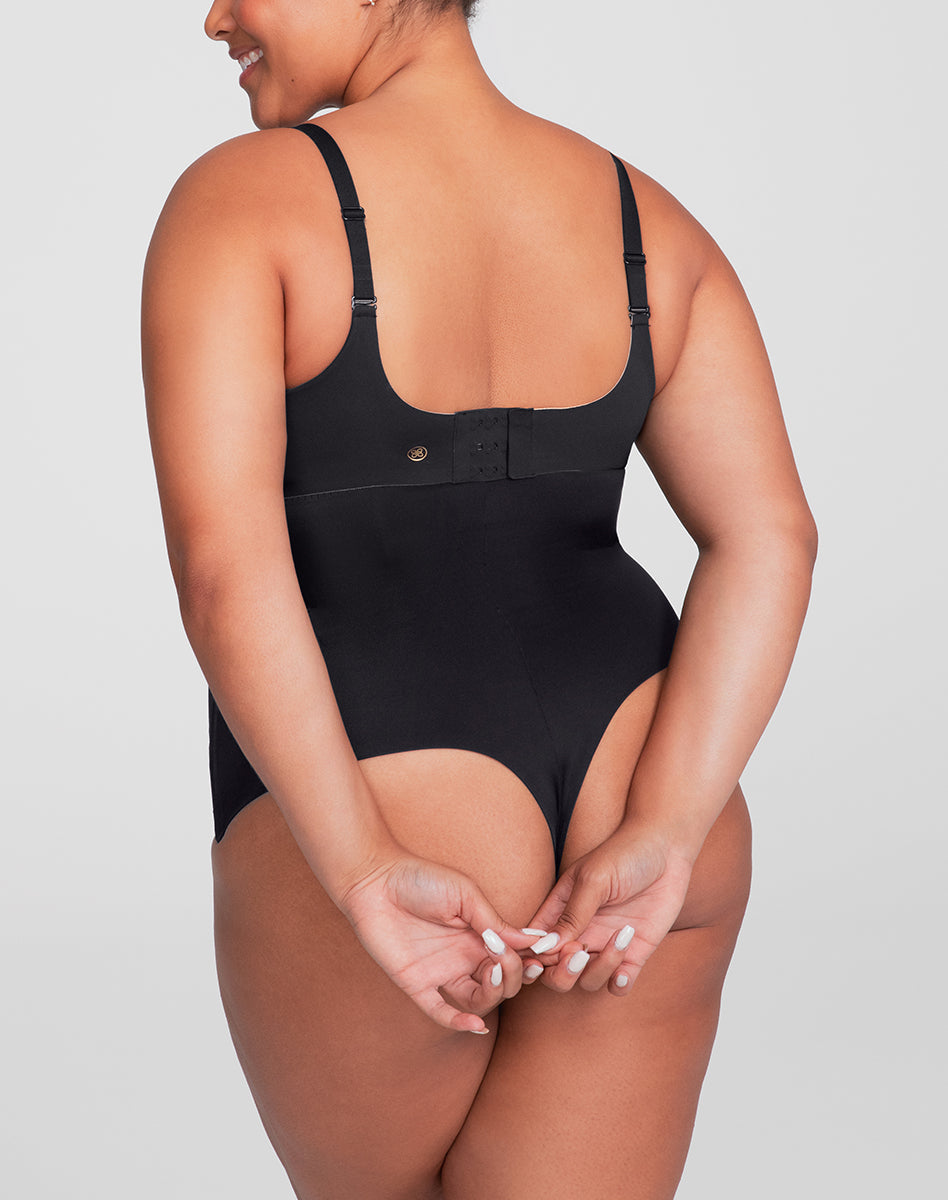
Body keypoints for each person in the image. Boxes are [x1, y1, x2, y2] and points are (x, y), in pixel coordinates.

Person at [141, 1, 817, 1195]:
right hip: (641, 781)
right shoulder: (648, 219)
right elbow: (772, 535)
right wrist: (668, 828)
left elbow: (223, 574)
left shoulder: (241, 201)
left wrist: (362, 865)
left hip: (384, 791)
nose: (215, 16)